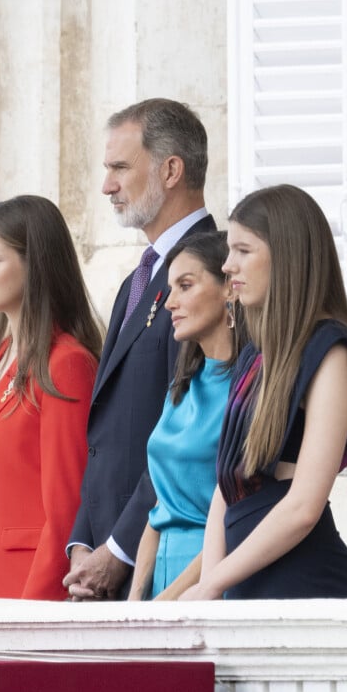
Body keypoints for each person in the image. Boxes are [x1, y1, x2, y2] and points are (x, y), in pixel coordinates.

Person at [180, 184, 347, 601]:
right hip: (244, 584)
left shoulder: (331, 352)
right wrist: (211, 585)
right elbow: (226, 480)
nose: (228, 265)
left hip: (305, 586)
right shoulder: (255, 354)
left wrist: (212, 583)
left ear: (287, 256)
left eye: (243, 250)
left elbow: (304, 507)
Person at [64, 98, 216, 601]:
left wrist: (121, 548)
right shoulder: (138, 278)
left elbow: (188, 429)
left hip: (160, 562)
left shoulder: (210, 276)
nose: (107, 185)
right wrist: (83, 541)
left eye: (120, 167)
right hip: (105, 559)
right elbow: (106, 430)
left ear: (171, 169)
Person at [0, 195, 103, 600]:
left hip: (23, 592)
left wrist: (34, 611)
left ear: (36, 265)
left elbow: (66, 506)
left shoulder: (66, 364)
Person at [128, 231, 247, 601]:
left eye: (185, 285)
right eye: (170, 288)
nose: (169, 303)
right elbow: (159, 511)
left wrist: (172, 600)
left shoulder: (249, 388)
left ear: (229, 288)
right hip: (160, 581)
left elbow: (233, 517)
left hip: (212, 579)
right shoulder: (182, 386)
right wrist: (135, 601)